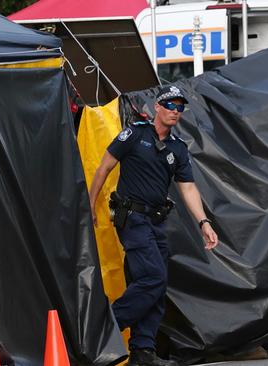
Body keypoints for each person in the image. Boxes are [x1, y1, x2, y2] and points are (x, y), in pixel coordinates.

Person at [89, 85, 218, 366]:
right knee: (152, 279)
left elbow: (188, 189)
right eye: (170, 105)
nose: (175, 111)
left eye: (180, 107)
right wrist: (90, 204)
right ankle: (102, 330)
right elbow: (103, 168)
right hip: (132, 218)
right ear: (157, 107)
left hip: (157, 222)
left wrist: (204, 222)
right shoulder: (135, 134)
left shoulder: (177, 148)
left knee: (154, 285)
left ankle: (142, 352)